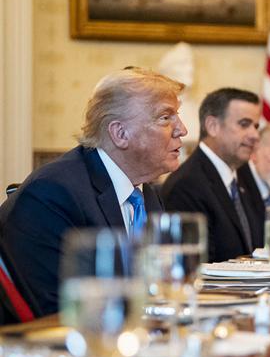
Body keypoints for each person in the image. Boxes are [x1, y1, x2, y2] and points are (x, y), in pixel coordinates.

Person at [0, 68, 186, 317]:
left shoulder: (145, 192)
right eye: (165, 117)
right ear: (120, 134)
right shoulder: (53, 194)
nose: (182, 129)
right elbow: (59, 311)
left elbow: (160, 288)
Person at [162, 88, 261, 263]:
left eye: (256, 126)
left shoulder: (244, 176)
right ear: (212, 126)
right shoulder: (186, 185)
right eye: (244, 124)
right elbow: (196, 266)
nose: (255, 135)